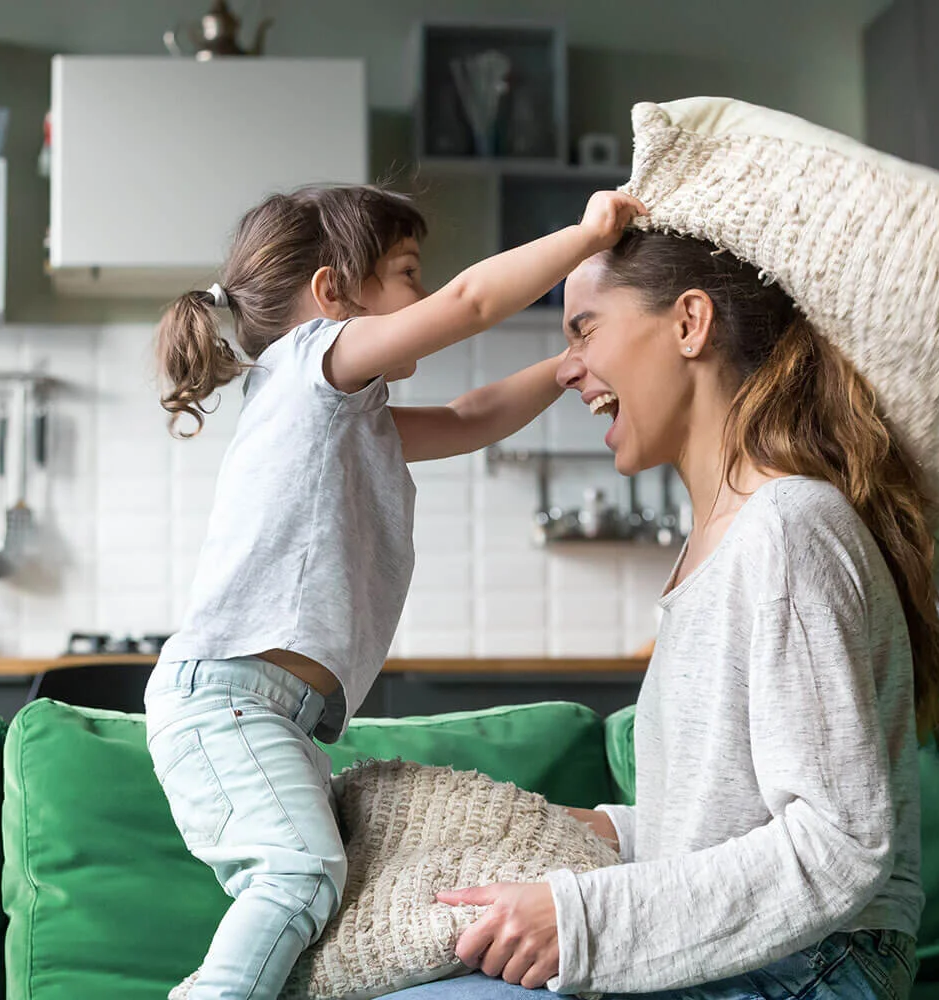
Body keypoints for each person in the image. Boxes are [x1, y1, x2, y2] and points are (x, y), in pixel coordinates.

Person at [401, 228, 939, 1000]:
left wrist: (582, 917)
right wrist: (581, 835)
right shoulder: (724, 543)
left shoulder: (788, 527)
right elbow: (725, 826)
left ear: (690, 323)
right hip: (774, 955)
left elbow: (839, 844)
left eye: (584, 328)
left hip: (818, 967)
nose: (570, 368)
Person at [144, 184, 648, 1000]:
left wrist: (564, 369)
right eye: (407, 271)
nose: (424, 291)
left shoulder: (348, 413)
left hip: (262, 709)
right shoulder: (314, 365)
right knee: (298, 878)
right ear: (332, 293)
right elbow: (472, 300)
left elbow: (470, 413)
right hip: (230, 702)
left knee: (303, 896)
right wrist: (586, 236)